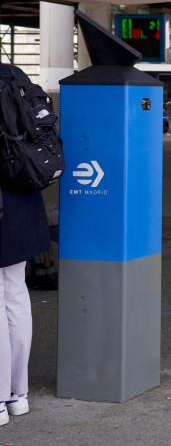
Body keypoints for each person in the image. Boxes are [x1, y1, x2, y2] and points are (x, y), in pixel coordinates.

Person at [0, 63, 51, 425]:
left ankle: (0, 399)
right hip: (22, 195)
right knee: (15, 293)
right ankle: (18, 394)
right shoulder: (14, 77)